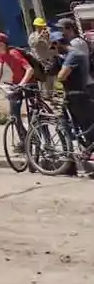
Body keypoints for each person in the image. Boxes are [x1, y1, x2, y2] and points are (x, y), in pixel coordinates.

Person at [55, 17, 94, 177]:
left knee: (85, 123)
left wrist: (58, 52)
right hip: (78, 87)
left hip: (82, 86)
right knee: (70, 122)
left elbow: (65, 72)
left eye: (62, 29)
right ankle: (77, 155)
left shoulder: (76, 44)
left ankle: (85, 153)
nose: (61, 32)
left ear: (69, 29)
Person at [0, 32, 40, 138]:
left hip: (29, 83)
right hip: (16, 84)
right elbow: (0, 68)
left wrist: (22, 84)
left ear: (2, 44)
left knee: (36, 114)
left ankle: (43, 138)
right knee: (14, 114)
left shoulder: (13, 53)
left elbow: (30, 70)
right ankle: (24, 138)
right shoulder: (1, 54)